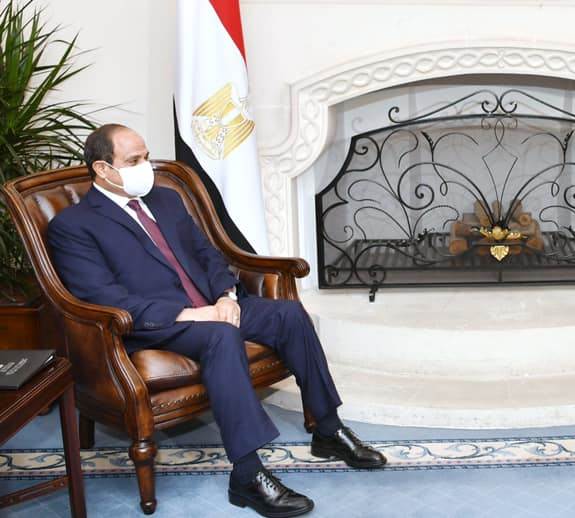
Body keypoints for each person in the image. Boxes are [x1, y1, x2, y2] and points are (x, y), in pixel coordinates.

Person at [48, 124, 387, 517]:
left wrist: (226, 296)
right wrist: (195, 314)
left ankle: (328, 429)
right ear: (103, 169)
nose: (146, 167)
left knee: (289, 314)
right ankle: (247, 474)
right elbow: (102, 297)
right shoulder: (73, 226)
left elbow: (208, 255)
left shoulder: (166, 199)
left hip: (214, 306)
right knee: (220, 336)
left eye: (147, 156)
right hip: (156, 323)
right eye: (134, 160)